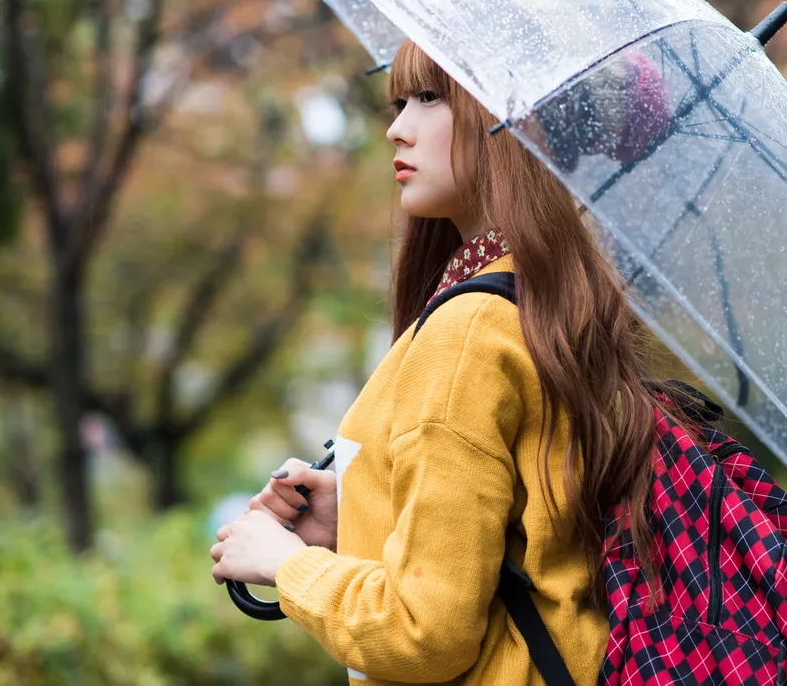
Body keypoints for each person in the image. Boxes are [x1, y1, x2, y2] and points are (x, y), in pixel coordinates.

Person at [209, 39, 671, 685]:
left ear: (514, 124)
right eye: (400, 101)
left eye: (431, 98)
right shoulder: (549, 301)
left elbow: (426, 634)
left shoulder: (469, 330)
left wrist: (286, 564)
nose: (398, 128)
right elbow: (536, 533)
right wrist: (368, 506)